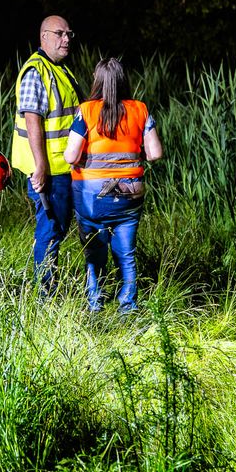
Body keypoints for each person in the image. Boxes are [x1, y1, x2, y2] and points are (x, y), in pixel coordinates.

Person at [63, 57, 163, 314]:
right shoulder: (140, 109)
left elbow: (72, 156)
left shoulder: (86, 111)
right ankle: (127, 307)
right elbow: (154, 153)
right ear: (123, 80)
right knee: (126, 253)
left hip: (91, 196)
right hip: (130, 193)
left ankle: (95, 303)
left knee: (93, 252)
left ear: (97, 81)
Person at [11, 15, 82, 298]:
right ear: (44, 37)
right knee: (50, 229)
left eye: (69, 33)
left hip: (63, 165)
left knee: (57, 228)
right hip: (49, 170)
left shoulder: (60, 70)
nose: (66, 39)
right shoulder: (36, 71)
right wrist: (40, 166)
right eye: (60, 33)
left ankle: (49, 286)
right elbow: (32, 120)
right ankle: (46, 294)